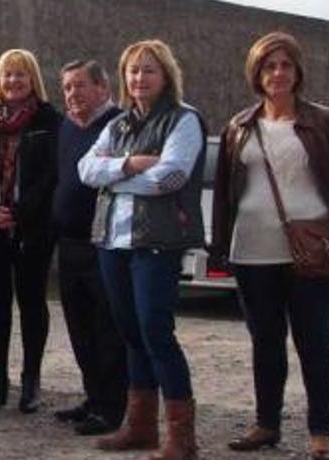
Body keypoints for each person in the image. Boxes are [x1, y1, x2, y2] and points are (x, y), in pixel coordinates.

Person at [213, 32, 329, 460]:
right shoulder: (239, 126)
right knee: (265, 341)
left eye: (285, 65)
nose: (277, 73)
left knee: (314, 341)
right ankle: (267, 424)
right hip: (252, 251)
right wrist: (219, 250)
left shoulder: (326, 121)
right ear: (256, 74)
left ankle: (321, 431)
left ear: (298, 72)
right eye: (269, 66)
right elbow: (227, 195)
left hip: (312, 251)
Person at [79, 39, 204, 459]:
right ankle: (140, 426)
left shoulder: (184, 120)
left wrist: (111, 176)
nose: (139, 78)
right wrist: (131, 164)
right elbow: (86, 169)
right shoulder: (118, 125)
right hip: (113, 241)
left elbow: (171, 177)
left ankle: (182, 439)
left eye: (149, 70)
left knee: (155, 331)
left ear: (166, 75)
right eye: (133, 70)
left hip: (156, 242)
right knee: (130, 333)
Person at [0, 49, 61, 414]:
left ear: (33, 79)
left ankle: (31, 381)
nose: (13, 81)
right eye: (7, 75)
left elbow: (51, 176)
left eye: (20, 75)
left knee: (32, 303)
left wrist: (20, 212)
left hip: (33, 228)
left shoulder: (49, 121)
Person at [51, 60, 127, 435]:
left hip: (104, 243)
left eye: (80, 85)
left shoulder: (118, 126)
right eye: (66, 87)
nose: (72, 94)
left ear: (103, 87)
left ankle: (113, 408)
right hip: (69, 244)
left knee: (106, 328)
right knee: (79, 326)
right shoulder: (67, 126)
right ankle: (93, 397)